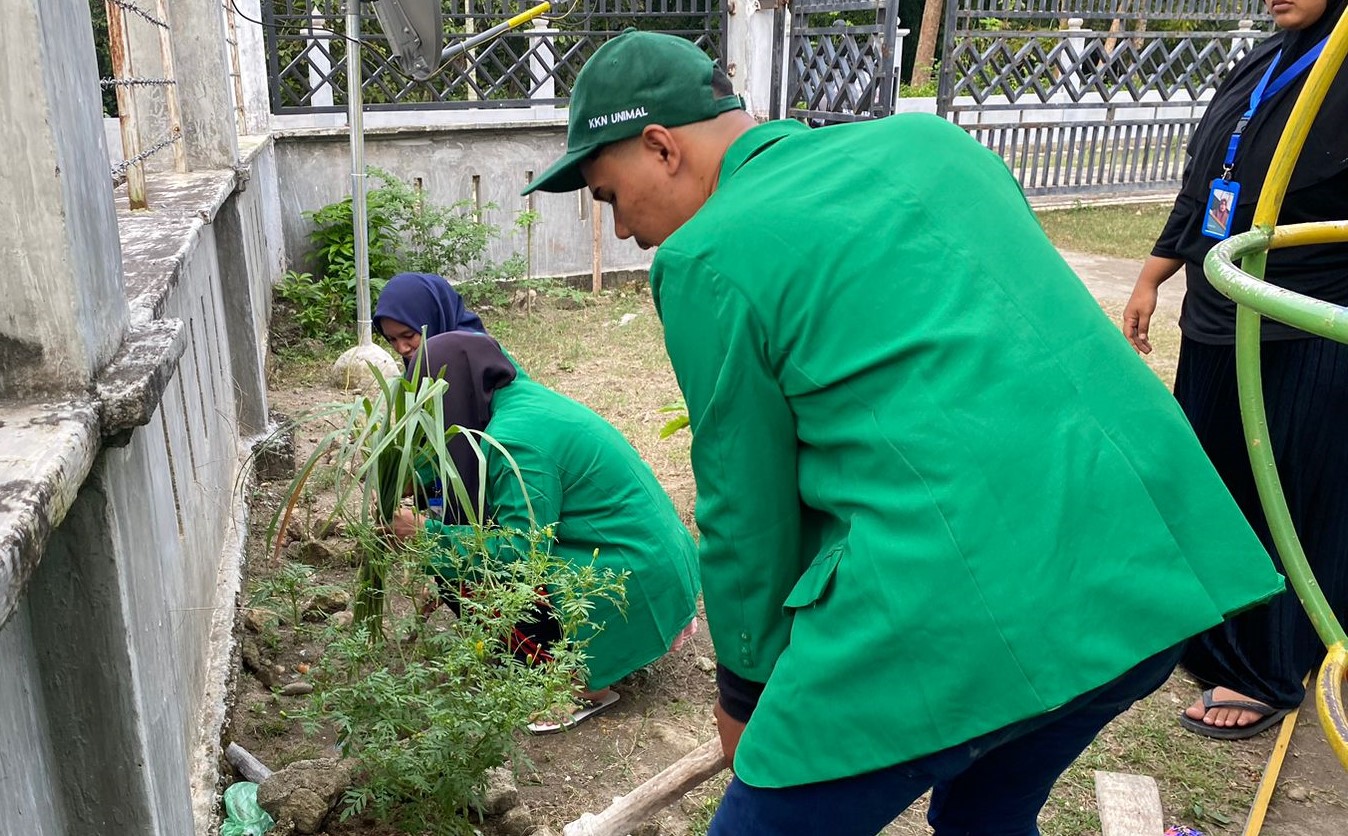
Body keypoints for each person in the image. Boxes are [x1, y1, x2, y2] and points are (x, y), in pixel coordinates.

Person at [520, 29, 1284, 834]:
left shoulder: (707, 256)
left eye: (607, 196)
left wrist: (746, 696)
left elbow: (746, 510)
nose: (621, 230)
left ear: (660, 146)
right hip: (1150, 568)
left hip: (961, 602)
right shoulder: (934, 143)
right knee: (988, 812)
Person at [1122, 0, 1348, 740]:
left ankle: (1268, 667)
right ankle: (1211, 630)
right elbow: (1205, 180)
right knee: (1211, 478)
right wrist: (1153, 277)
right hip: (1219, 307)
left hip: (1303, 320)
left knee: (1285, 490)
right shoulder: (1269, 56)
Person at [389, 331, 700, 732]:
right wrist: (416, 477)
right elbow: (461, 459)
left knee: (467, 565)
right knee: (464, 546)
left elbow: (522, 552)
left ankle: (580, 682)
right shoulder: (514, 399)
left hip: (638, 576)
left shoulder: (515, 442)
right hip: (649, 558)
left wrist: (428, 536)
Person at [373, 272, 487, 365]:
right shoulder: (420, 365)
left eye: (409, 336)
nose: (402, 349)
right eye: (392, 339)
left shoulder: (484, 357)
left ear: (434, 320)